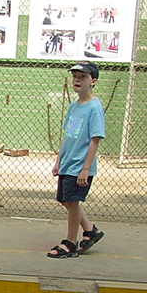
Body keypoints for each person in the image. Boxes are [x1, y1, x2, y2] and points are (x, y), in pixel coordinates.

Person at [47, 61, 105, 258]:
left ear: (93, 81)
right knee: (66, 200)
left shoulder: (94, 108)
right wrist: (58, 161)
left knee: (72, 201)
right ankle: (90, 230)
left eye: (82, 77)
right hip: (67, 163)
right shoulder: (74, 106)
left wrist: (85, 168)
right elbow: (68, 136)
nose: (77, 81)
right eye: (75, 77)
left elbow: (94, 140)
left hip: (80, 165)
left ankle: (70, 242)